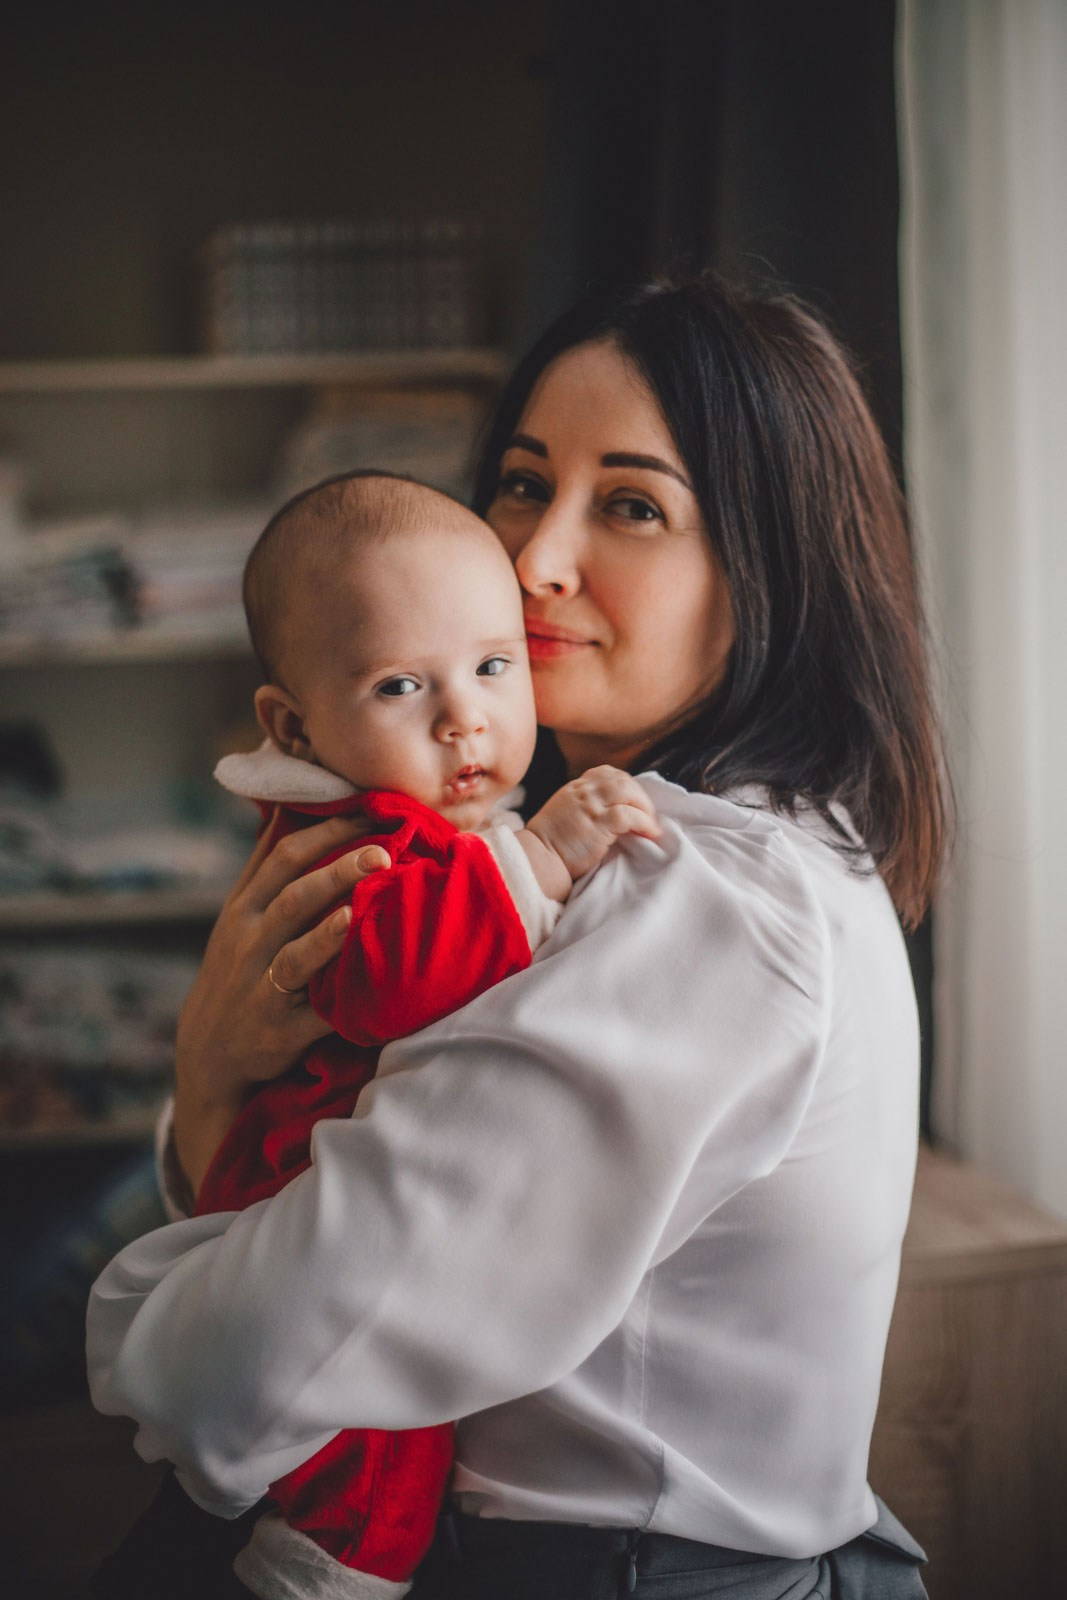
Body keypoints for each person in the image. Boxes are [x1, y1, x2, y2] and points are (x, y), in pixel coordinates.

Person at [87, 274, 948, 1600]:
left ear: (767, 567)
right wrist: (213, 1081)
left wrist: (155, 1264)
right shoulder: (622, 829)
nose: (533, 561)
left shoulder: (697, 887)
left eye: (629, 505)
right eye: (520, 482)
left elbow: (250, 1360)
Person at [140, 470, 661, 1600]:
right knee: (377, 1442)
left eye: (491, 666)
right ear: (293, 723)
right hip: (288, 1181)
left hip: (289, 1168)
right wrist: (541, 858)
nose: (463, 716)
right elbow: (390, 975)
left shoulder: (421, 796)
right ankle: (321, 1572)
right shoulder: (350, 837)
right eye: (397, 684)